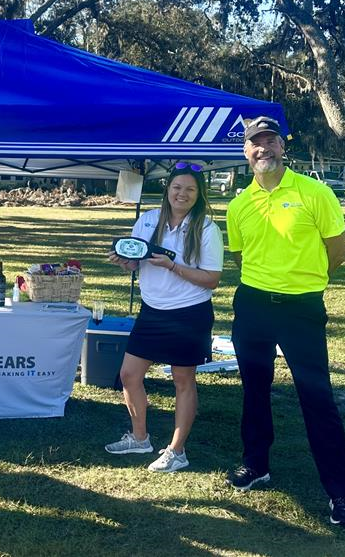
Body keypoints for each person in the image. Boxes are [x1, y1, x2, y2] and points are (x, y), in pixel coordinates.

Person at [225, 116, 345, 528]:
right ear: (246, 152)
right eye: (254, 143)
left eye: (270, 141)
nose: (262, 148)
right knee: (254, 390)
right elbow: (240, 257)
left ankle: (340, 492)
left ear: (283, 146)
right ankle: (256, 463)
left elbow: (338, 252)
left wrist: (303, 282)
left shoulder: (314, 192)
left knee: (317, 398)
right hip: (251, 307)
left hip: (301, 309)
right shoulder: (238, 204)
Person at [104, 164, 223, 472]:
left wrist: (173, 267)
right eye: (177, 188)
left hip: (189, 313)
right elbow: (136, 264)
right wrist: (124, 262)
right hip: (151, 310)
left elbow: (211, 279)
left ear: (199, 195)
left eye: (190, 190)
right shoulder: (147, 221)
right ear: (167, 190)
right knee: (129, 375)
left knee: (183, 380)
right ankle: (140, 438)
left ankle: (177, 450)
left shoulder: (207, 228)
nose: (182, 194)